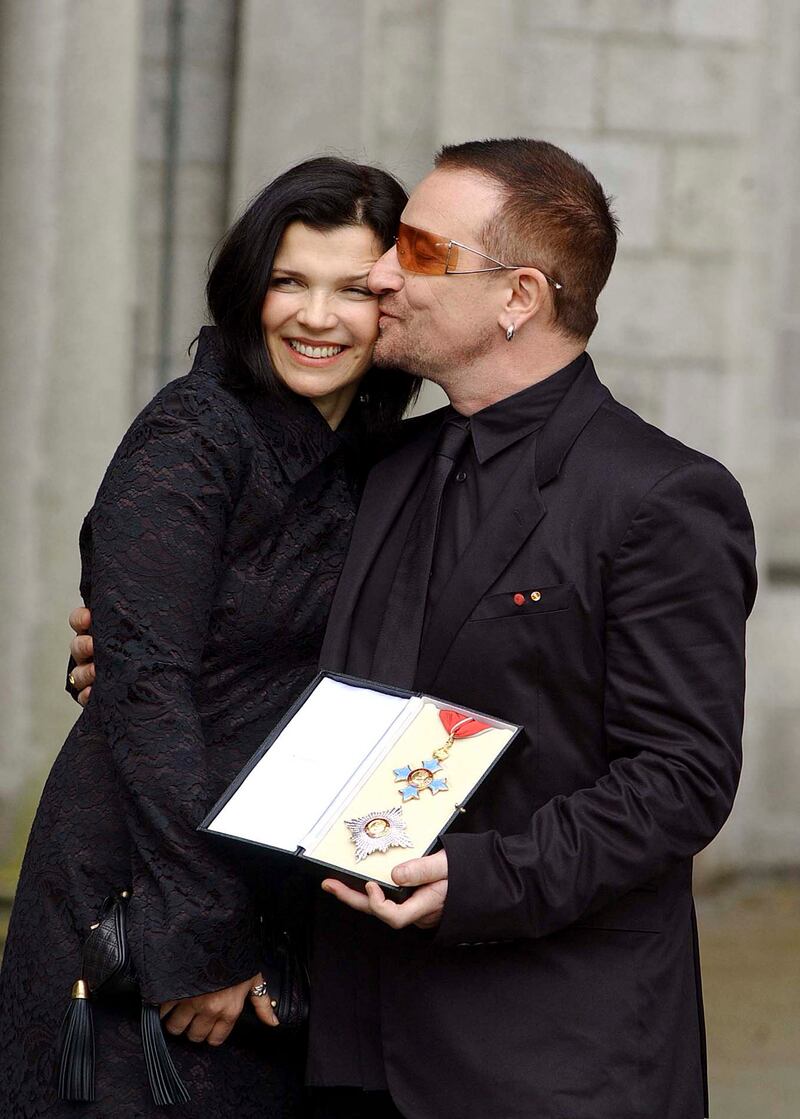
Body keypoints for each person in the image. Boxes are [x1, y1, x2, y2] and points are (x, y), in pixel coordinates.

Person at [67, 139, 756, 1119]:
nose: (381, 275)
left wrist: (479, 879)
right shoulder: (382, 465)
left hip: (550, 1059)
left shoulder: (658, 497)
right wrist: (132, 648)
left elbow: (680, 777)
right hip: (339, 1046)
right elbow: (250, 623)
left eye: (419, 252)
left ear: (517, 297)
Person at [0, 156, 418, 1118]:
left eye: (353, 288)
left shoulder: (379, 461)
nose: (317, 317)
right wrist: (205, 941)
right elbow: (147, 694)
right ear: (249, 286)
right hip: (142, 898)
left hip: (281, 919)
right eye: (289, 280)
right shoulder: (193, 436)